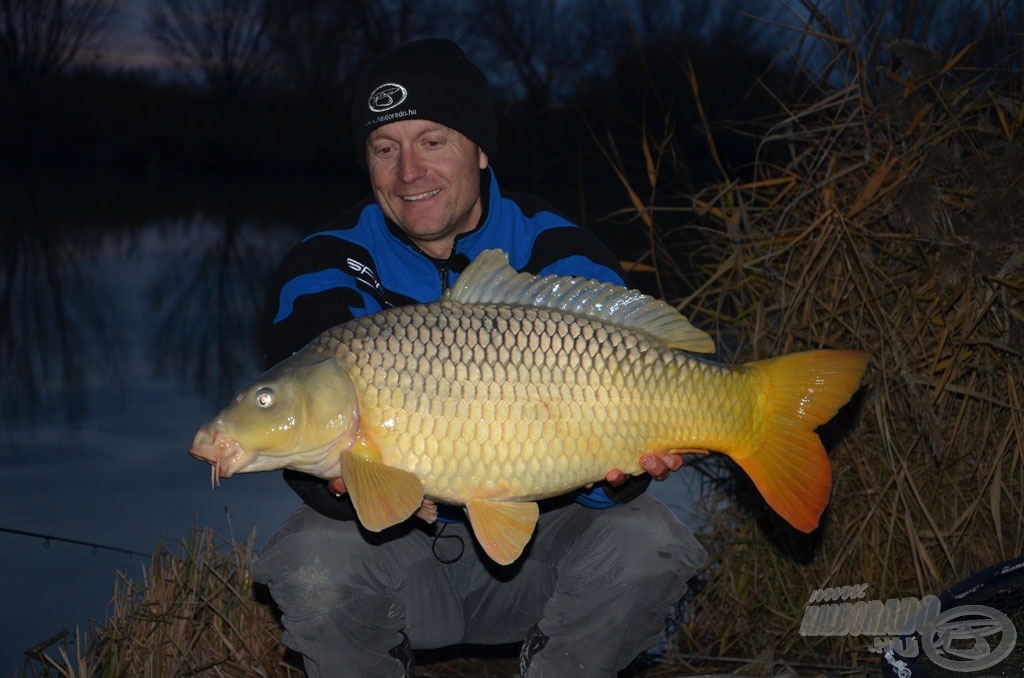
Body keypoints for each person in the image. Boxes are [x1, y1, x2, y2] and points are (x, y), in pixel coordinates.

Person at [252, 38, 707, 678]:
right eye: (386, 149)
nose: (408, 173)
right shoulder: (321, 269)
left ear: (482, 149)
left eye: (432, 141)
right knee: (310, 560)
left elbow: (610, 488)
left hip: (544, 553)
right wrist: (340, 480)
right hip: (399, 558)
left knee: (650, 541)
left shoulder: (562, 255)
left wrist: (623, 473)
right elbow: (311, 457)